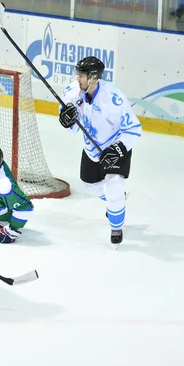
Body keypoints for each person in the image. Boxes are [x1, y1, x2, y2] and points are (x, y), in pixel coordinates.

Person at [58, 56, 142, 245]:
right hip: (91, 148)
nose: (77, 79)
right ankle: (117, 201)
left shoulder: (114, 100)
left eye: (81, 76)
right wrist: (66, 120)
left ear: (94, 77)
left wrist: (119, 149)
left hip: (115, 146)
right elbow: (72, 126)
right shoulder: (73, 92)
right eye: (77, 75)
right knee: (91, 186)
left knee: (114, 185)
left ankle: (116, 227)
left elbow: (134, 130)